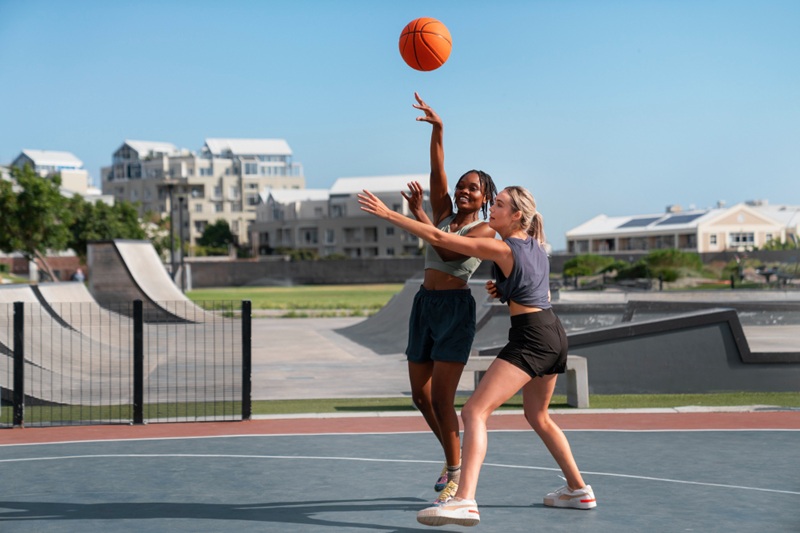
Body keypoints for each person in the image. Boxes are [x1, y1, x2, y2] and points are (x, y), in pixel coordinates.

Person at [358, 185, 596, 528]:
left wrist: (388, 214)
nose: (492, 211)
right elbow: (530, 284)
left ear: (516, 216)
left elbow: (440, 239)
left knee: (473, 411)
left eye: (498, 206)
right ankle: (578, 489)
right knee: (538, 416)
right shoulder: (537, 246)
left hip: (531, 337)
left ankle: (465, 499)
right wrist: (504, 289)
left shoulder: (499, 246)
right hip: (553, 334)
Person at [401, 93, 498, 504]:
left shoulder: (485, 231)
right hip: (425, 305)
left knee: (443, 399)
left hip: (455, 312)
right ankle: (450, 457)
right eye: (461, 186)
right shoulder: (444, 211)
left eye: (472, 189)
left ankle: (457, 475)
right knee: (420, 396)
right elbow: (436, 167)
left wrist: (420, 216)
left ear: (484, 197)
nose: (463, 191)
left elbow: (448, 251)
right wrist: (439, 129)